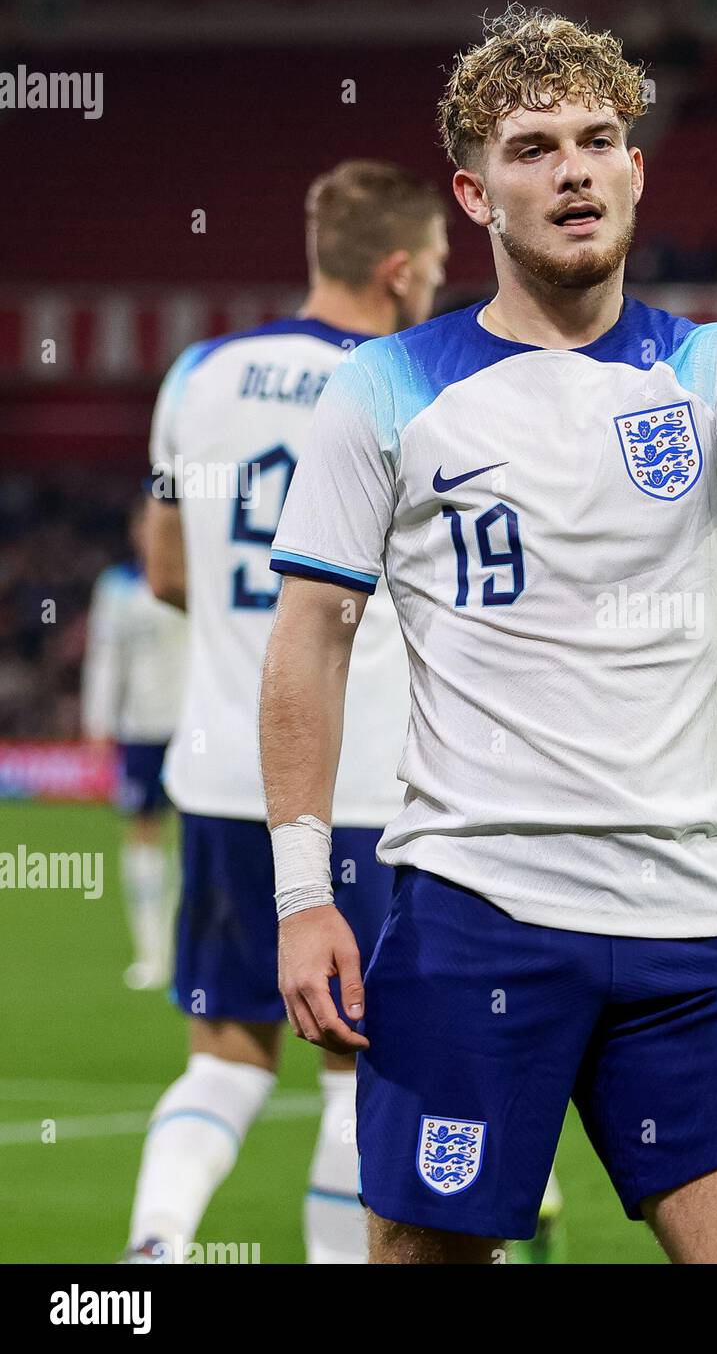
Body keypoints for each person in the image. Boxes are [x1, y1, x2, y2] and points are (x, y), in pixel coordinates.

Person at [259, 6, 717, 1265]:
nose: (573, 168)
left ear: (637, 169)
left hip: (686, 920)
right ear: (474, 191)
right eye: (532, 148)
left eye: (598, 139)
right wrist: (299, 894)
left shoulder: (715, 357)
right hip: (470, 913)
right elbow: (310, 641)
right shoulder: (384, 388)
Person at [122, 160, 447, 1264]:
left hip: (221, 768)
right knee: (365, 1068)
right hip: (359, 783)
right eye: (438, 268)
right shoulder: (416, 381)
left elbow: (165, 569)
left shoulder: (199, 372)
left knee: (224, 1054)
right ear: (399, 268)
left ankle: (159, 1243)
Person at [82, 492, 188, 989]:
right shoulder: (118, 587)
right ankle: (151, 952)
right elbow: (105, 659)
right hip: (140, 729)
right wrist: (98, 723)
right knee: (143, 833)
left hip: (192, 726)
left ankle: (187, 946)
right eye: (143, 523)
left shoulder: (198, 578)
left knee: (195, 841)